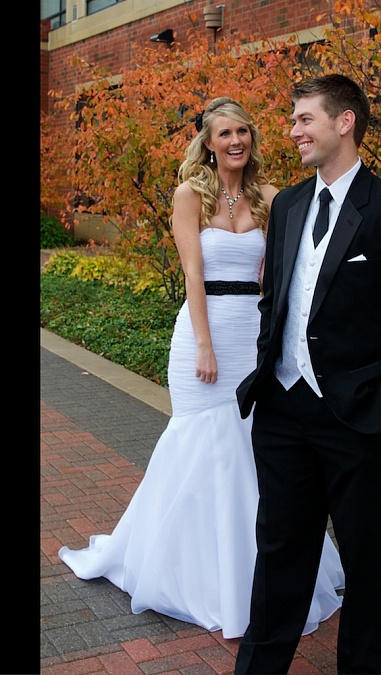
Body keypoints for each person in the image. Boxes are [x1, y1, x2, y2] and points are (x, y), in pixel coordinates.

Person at [58, 97, 346, 639]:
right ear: (208, 143)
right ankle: (190, 571)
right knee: (200, 445)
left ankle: (259, 570)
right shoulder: (189, 195)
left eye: (243, 131)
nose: (235, 141)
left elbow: (280, 279)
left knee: (250, 450)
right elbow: (194, 273)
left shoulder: (272, 198)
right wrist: (204, 345)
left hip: (254, 334)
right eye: (224, 134)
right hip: (202, 331)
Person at [233, 74, 381, 674]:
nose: (293, 130)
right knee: (278, 558)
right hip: (280, 411)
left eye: (304, 119)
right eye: (294, 119)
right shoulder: (290, 204)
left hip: (354, 418)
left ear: (344, 122)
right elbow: (276, 297)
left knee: (363, 564)